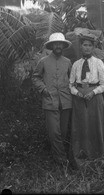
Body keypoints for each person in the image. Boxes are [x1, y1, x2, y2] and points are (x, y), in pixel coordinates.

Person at [32, 32, 75, 168]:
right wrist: (43, 89)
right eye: (55, 44)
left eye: (60, 44)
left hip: (66, 101)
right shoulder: (43, 61)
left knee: (62, 133)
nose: (58, 46)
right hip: (50, 101)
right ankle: (62, 162)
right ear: (51, 46)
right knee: (54, 133)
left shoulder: (68, 62)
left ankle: (57, 158)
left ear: (63, 45)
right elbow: (35, 77)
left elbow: (72, 80)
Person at [69, 33, 104, 162]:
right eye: (84, 45)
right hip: (79, 99)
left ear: (93, 48)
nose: (86, 48)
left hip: (94, 98)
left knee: (95, 125)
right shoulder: (76, 64)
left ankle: (97, 156)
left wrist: (93, 92)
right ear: (81, 47)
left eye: (89, 45)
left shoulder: (98, 63)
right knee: (80, 126)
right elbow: (70, 84)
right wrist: (78, 93)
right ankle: (81, 156)